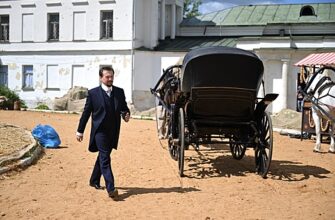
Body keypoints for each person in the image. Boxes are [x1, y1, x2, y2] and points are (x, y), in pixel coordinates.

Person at [76, 66, 130, 200]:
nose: (110, 79)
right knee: (105, 158)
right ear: (101, 78)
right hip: (100, 132)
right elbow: (86, 113)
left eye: (112, 76)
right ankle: (111, 188)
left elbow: (124, 108)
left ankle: (94, 180)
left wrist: (126, 115)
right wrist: (80, 131)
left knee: (103, 155)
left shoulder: (119, 92)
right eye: (107, 76)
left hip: (113, 131)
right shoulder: (93, 93)